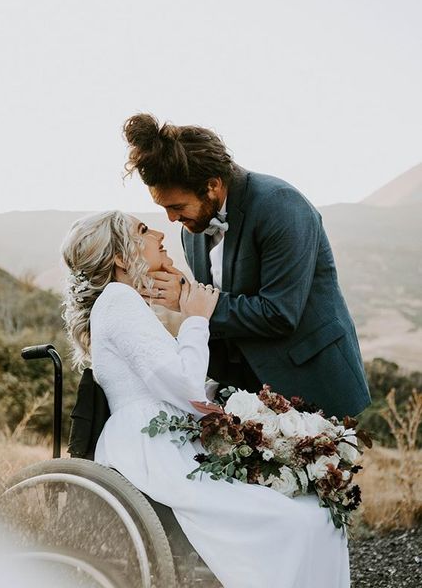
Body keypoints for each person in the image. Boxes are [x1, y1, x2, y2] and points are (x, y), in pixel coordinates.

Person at [61, 210, 350, 588]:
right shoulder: (118, 300)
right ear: (119, 256)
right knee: (298, 522)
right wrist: (196, 318)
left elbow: (173, 387)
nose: (160, 233)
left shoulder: (122, 302)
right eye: (143, 230)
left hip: (160, 442)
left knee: (310, 516)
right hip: (154, 452)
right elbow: (185, 385)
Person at [123, 114, 371, 419]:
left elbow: (280, 313)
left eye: (177, 207)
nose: (172, 219)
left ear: (212, 185)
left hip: (313, 386)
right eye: (164, 209)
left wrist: (189, 300)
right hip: (247, 396)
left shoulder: (280, 205)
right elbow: (224, 314)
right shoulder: (192, 233)